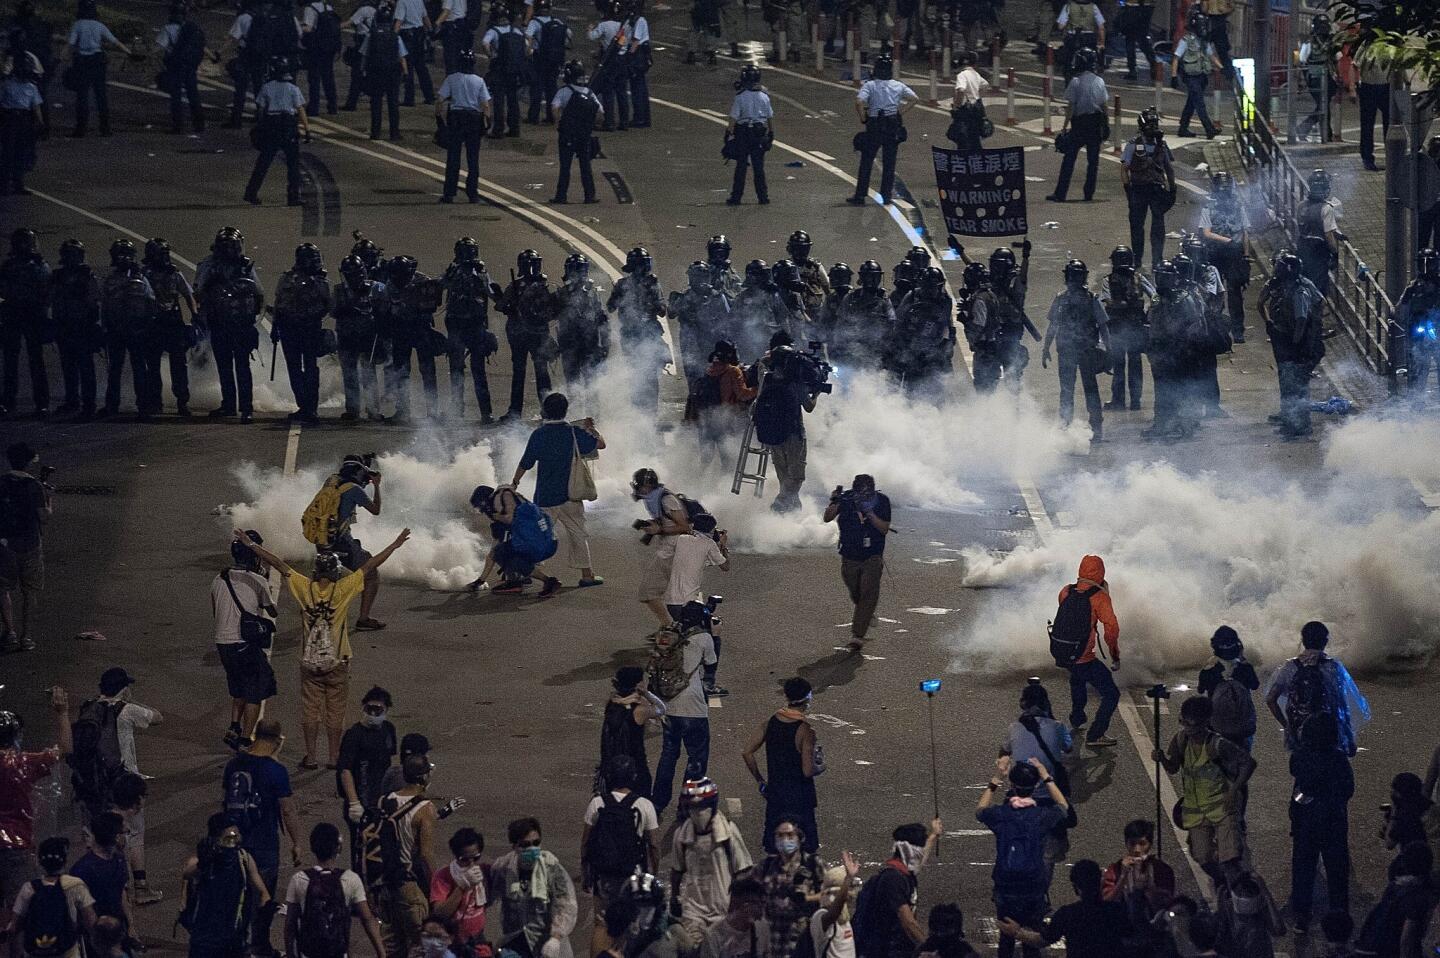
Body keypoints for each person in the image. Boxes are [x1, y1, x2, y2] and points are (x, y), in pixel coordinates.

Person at [232, 527, 411, 766]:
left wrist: (250, 544)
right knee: (335, 712)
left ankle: (312, 756)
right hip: (337, 661)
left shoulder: (304, 587)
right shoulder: (343, 589)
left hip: (309, 663)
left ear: (316, 572)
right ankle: (334, 756)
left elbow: (278, 564)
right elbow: (369, 567)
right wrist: (394, 545)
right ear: (336, 572)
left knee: (310, 711)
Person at [1154, 697, 1256, 888]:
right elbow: (1174, 767)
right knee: (1202, 856)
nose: (1189, 730)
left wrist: (1234, 790)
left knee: (1230, 858)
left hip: (1222, 808)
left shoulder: (1218, 744)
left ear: (1206, 722)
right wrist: (1162, 759)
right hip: (1196, 810)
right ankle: (1221, 882)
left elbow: (1249, 763)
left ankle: (1241, 893)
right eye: (1184, 723)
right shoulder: (1180, 740)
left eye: (1194, 725)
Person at [221, 718, 302, 953]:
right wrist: (297, 842)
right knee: (261, 899)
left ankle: (235, 941)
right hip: (263, 843)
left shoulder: (234, 764)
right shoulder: (276, 771)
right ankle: (259, 945)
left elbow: (225, 799)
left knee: (236, 894)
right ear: (278, 740)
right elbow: (287, 809)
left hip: (234, 840)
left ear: (255, 735)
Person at [976, 758, 1069, 958]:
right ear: (1035, 786)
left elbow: (980, 810)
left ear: (1012, 785)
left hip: (1005, 884)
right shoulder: (1040, 816)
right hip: (1033, 884)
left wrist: (996, 778)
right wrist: (1046, 776)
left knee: (1006, 936)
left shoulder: (1001, 814)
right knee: (1032, 936)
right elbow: (1063, 806)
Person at [512, 393, 606, 587]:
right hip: (571, 495)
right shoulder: (573, 433)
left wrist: (515, 482)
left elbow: (526, 462)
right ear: (565, 411)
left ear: (545, 411)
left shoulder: (539, 434)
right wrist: (591, 428)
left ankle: (528, 571)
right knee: (578, 533)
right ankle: (587, 575)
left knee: (538, 535)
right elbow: (601, 444)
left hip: (545, 496)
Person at [0, 692, 73, 937]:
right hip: (16, 846)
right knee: (21, 909)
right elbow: (63, 749)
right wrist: (62, 712)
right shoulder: (22, 763)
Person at [582, 756, 661, 957]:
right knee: (631, 924)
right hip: (632, 876)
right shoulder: (644, 805)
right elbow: (653, 845)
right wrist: (653, 873)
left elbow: (586, 842)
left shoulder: (598, 803)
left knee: (602, 923)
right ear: (633, 777)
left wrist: (586, 872)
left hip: (604, 874)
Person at [1265, 620, 1370, 759]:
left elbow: (1271, 699)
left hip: (1300, 732)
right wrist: (1349, 738)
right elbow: (1341, 705)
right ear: (1325, 641)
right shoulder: (1333, 667)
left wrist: (1287, 726)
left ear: (1303, 640)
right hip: (1328, 732)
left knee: (1304, 773)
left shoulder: (1290, 666)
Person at [1288, 712, 1353, 934]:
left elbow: (1297, 780)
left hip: (1306, 821)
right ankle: (1339, 915)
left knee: (1304, 869)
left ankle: (1302, 916)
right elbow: (1348, 789)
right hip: (1333, 821)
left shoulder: (1301, 756)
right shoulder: (1337, 759)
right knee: (1337, 870)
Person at [213, 529, 278, 750]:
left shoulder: (218, 579)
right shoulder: (256, 580)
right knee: (255, 692)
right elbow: (272, 610)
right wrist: (264, 577)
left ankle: (234, 726)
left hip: (223, 644)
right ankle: (245, 737)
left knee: (238, 687)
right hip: (244, 644)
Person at [179, 812, 274, 958]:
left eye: (237, 836)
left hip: (233, 940)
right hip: (205, 940)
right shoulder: (204, 861)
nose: (235, 841)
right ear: (216, 839)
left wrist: (265, 909)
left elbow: (263, 892)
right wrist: (203, 862)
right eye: (229, 838)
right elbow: (187, 873)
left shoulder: (244, 859)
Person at [374, 753, 441, 958]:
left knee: (393, 947)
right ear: (423, 778)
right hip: (410, 886)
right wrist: (435, 891)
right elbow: (425, 855)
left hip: (386, 883)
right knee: (421, 947)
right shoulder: (425, 809)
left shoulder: (385, 801)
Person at [670, 778, 753, 943]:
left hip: (724, 909)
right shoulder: (682, 835)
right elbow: (677, 870)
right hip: (693, 911)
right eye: (693, 808)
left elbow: (744, 870)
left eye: (702, 807)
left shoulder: (728, 832)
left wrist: (740, 906)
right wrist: (674, 897)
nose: (698, 812)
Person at [742, 678, 820, 853]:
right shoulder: (805, 731)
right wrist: (820, 766)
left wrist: (760, 780)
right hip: (800, 798)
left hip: (776, 795)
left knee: (774, 847)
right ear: (808, 698)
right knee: (804, 848)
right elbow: (807, 770)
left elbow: (747, 752)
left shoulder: (770, 723)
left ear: (786, 696)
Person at [284, 822, 384, 958]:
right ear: (338, 848)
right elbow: (367, 919)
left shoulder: (299, 879)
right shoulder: (350, 879)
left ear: (313, 848)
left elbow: (290, 924)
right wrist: (381, 953)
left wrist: (291, 954)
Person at [998, 859, 1132, 958]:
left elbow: (1041, 940)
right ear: (1100, 881)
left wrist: (1017, 932)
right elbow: (1131, 937)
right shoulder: (1116, 910)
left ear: (1076, 888)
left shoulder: (1068, 914)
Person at [195, 227, 262, 423]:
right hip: (220, 322)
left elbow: (258, 294)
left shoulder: (245, 266)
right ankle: (230, 405)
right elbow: (198, 290)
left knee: (242, 366)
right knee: (226, 367)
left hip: (241, 323)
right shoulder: (209, 265)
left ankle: (246, 407)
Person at [314, 454, 388, 632]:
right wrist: (376, 486)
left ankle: (317, 616)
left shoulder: (331, 481)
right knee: (370, 573)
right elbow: (376, 510)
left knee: (327, 577)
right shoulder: (354, 489)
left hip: (323, 538)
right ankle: (363, 619)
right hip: (341, 542)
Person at [488, 818, 578, 958]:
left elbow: (566, 905)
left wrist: (556, 937)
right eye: (525, 844)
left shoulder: (552, 868)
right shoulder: (503, 869)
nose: (532, 848)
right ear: (514, 846)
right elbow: (488, 896)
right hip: (515, 940)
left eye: (536, 843)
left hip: (546, 943)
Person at [1041, 259, 1110, 441]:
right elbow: (1103, 327)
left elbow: (1053, 326)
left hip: (1072, 351)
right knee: (1088, 390)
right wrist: (1108, 350)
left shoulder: (1064, 299)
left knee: (1069, 391)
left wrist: (1046, 348)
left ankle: (1067, 427)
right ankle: (1093, 428)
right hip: (1080, 351)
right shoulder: (1089, 299)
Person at [1055, 555, 1120, 747]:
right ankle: (1095, 735)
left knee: (1077, 681)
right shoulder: (1099, 598)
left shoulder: (1066, 591)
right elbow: (1111, 630)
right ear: (1101, 573)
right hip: (1084, 656)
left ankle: (1077, 718)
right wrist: (1115, 656)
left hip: (1064, 653)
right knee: (1111, 694)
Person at [822, 476, 891, 653]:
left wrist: (869, 513)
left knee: (869, 591)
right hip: (850, 555)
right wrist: (835, 500)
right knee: (856, 591)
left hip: (872, 555)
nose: (864, 496)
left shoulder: (882, 501)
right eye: (861, 492)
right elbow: (827, 518)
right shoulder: (846, 499)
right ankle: (866, 613)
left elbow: (883, 528)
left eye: (868, 492)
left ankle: (857, 636)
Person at [752, 341, 819, 513]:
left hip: (773, 435)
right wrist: (816, 393)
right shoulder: (795, 382)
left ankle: (790, 515)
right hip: (794, 435)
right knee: (795, 477)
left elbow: (761, 366)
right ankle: (779, 506)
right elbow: (809, 407)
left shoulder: (766, 378)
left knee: (784, 478)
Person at [98, 239, 158, 420]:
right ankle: (112, 405)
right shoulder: (110, 280)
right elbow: (105, 306)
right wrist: (104, 328)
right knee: (115, 369)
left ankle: (144, 406)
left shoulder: (140, 279)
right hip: (117, 330)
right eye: (120, 254)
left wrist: (147, 326)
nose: (123, 258)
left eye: (126, 254)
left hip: (137, 330)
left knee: (140, 369)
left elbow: (151, 303)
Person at [466, 484, 562, 596]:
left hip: (535, 546)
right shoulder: (515, 498)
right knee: (508, 550)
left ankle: (523, 582)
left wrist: (497, 518)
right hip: (550, 543)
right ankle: (522, 577)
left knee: (504, 553)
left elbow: (509, 520)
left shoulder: (500, 498)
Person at [606, 248, 669, 416]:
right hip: (631, 336)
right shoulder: (623, 285)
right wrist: (622, 296)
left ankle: (650, 414)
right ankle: (638, 414)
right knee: (635, 375)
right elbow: (610, 307)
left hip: (649, 335)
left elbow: (663, 310)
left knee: (651, 376)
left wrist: (650, 301)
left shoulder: (652, 284)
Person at [847, 55, 916, 207]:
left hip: (875, 124)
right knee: (889, 162)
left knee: (867, 161)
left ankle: (860, 195)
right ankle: (886, 195)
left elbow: (859, 102)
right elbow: (914, 98)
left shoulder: (870, 85)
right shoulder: (898, 85)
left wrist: (863, 117)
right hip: (892, 125)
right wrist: (900, 112)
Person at [336, 686, 397, 860]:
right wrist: (354, 802)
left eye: (378, 709)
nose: (373, 713)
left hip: (381, 800)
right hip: (362, 800)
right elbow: (345, 769)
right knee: (361, 850)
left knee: (382, 847)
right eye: (370, 709)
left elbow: (389, 763)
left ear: (386, 710)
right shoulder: (354, 735)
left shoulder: (388, 730)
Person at [0, 442, 50, 653]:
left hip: (4, 544)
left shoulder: (1, 483)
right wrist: (49, 501)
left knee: (3, 589)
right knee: (30, 592)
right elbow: (44, 517)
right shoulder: (34, 485)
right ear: (29, 462)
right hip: (30, 543)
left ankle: (9, 632)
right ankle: (26, 637)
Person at [272, 244, 331, 422]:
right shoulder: (287, 279)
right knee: (295, 369)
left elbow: (328, 305)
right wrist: (275, 327)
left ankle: (311, 408)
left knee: (311, 368)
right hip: (289, 329)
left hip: (310, 328)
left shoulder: (320, 281)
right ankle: (304, 405)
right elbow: (278, 303)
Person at [10, 836, 96, 958]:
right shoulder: (75, 885)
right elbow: (90, 921)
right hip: (68, 951)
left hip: (36, 952)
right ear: (65, 860)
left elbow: (15, 926)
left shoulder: (29, 888)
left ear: (39, 861)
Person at [379, 256, 441, 421]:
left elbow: (433, 302)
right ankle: (403, 410)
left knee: (427, 371)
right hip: (400, 331)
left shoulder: (423, 282)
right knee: (400, 372)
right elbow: (386, 307)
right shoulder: (390, 285)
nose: (398, 279)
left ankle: (432, 411)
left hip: (421, 329)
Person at [139, 238, 196, 417]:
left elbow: (188, 295)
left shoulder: (174, 274)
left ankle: (182, 401)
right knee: (153, 366)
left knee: (179, 366)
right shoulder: (144, 275)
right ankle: (156, 402)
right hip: (153, 325)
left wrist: (195, 314)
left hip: (173, 324)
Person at [630, 469, 693, 630]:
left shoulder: (666, 499)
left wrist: (659, 530)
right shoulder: (653, 497)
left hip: (673, 547)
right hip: (669, 546)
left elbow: (684, 526)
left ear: (647, 485)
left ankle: (670, 626)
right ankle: (678, 626)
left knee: (648, 591)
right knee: (677, 591)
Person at [498, 249, 557, 417]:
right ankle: (539, 411)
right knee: (535, 373)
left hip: (528, 334)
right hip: (530, 335)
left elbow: (501, 305)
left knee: (529, 373)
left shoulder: (530, 286)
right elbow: (501, 305)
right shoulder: (537, 285)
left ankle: (523, 411)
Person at [243, 57, 309, 207]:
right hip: (288, 126)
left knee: (263, 162)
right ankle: (293, 196)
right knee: (293, 164)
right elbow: (300, 110)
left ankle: (251, 192)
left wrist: (261, 126)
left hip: (272, 126)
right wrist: (307, 129)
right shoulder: (293, 89)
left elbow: (260, 109)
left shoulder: (267, 87)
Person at [47, 239, 100, 418]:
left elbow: (94, 302)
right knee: (69, 367)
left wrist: (94, 326)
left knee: (85, 368)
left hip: (82, 326)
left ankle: (88, 404)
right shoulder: (58, 276)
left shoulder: (87, 276)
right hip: (64, 325)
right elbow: (51, 300)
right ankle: (73, 401)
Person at [755, 820, 823, 958]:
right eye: (780, 836)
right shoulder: (766, 866)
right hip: (774, 942)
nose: (785, 840)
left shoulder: (812, 864)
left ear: (800, 838)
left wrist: (808, 898)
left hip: (802, 941)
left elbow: (834, 895)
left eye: (790, 835)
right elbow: (748, 892)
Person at [1046, 48, 1106, 202]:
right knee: (1093, 162)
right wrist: (1105, 124)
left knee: (1069, 160)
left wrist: (1065, 126)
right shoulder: (1099, 81)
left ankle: (1060, 193)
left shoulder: (1075, 82)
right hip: (1094, 123)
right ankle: (1088, 193)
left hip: (1079, 124)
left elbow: (1071, 107)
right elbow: (1104, 106)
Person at [0, 230, 49, 418]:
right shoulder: (10, 266)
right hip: (14, 314)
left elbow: (46, 292)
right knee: (11, 360)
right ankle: (9, 400)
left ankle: (41, 402)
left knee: (35, 360)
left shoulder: (37, 265)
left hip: (31, 314)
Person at [65, 0, 133, 137]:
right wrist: (130, 53)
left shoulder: (78, 25)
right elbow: (115, 42)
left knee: (82, 96)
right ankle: (105, 128)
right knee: (101, 95)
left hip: (82, 61)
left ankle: (80, 129)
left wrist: (61, 58)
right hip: (97, 61)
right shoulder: (99, 25)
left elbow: (70, 44)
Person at [1354, 843, 1433, 958]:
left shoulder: (1395, 886)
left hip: (1367, 946)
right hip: (1384, 951)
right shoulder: (1417, 898)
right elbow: (1406, 940)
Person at [1098, 246, 1151, 411]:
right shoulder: (1136, 278)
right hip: (1127, 328)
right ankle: (1132, 400)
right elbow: (1155, 296)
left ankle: (1122, 400)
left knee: (1122, 365)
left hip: (1122, 328)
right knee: (1131, 365)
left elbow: (1107, 302)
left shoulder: (1115, 279)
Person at [436, 50, 492, 204]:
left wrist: (439, 119)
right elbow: (485, 105)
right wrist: (487, 122)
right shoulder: (479, 81)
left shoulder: (452, 78)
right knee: (473, 158)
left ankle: (449, 193)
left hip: (456, 118)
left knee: (453, 157)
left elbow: (440, 99)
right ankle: (472, 194)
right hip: (473, 118)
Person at [1121, 109, 1175, 269]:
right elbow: (1124, 168)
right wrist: (1127, 189)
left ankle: (1157, 260)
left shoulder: (1162, 145)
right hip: (1138, 189)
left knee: (1158, 226)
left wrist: (1173, 189)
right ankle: (1137, 261)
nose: (1153, 127)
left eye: (1155, 124)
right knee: (1137, 226)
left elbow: (1169, 168)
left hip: (1156, 190)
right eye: (1150, 124)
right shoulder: (1133, 144)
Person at [333, 256, 385, 420]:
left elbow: (386, 308)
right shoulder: (340, 291)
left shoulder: (376, 288)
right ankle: (353, 409)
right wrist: (345, 309)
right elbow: (331, 310)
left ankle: (373, 409)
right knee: (349, 374)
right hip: (347, 336)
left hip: (368, 336)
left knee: (369, 373)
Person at [1101, 820, 1176, 929]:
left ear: (1150, 844)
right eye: (1132, 844)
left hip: (1156, 924)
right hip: (1124, 924)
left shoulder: (1162, 869)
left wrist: (1147, 888)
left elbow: (1167, 902)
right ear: (1126, 843)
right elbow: (1106, 902)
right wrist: (1123, 877)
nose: (1137, 850)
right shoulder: (1115, 869)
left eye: (1142, 844)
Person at [90, 668, 161, 777]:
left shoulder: (90, 707)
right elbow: (158, 717)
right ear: (123, 689)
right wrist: (130, 701)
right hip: (123, 775)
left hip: (94, 773)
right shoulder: (127, 710)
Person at [1198, 626, 1259, 750]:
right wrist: (1242, 659)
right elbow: (1255, 685)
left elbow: (1200, 689)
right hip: (1243, 728)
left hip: (1216, 727)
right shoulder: (1245, 668)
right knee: (1243, 762)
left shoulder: (1209, 669)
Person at [429, 827, 488, 955]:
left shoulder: (483, 871)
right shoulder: (443, 876)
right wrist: (462, 886)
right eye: (465, 860)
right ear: (456, 857)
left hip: (477, 938)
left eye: (475, 858)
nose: (471, 864)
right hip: (452, 941)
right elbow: (440, 913)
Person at [69, 812, 130, 935]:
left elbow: (121, 892)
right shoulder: (83, 870)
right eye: (125, 832)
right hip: (98, 934)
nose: (128, 834)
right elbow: (85, 911)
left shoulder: (119, 859)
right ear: (117, 837)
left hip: (117, 927)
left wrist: (130, 926)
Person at [554, 253, 609, 389]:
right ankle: (574, 410)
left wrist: (605, 344)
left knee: (591, 384)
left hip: (589, 345)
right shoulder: (561, 294)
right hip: (569, 345)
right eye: (574, 270)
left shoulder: (593, 294)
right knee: (572, 384)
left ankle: (592, 411)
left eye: (580, 270)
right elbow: (549, 316)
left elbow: (602, 319)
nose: (577, 274)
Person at [552, 61, 602, 204]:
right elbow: (600, 112)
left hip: (568, 134)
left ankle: (561, 196)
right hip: (584, 134)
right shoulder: (589, 93)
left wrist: (558, 123)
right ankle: (589, 195)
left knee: (565, 167)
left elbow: (554, 108)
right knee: (585, 165)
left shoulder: (563, 91)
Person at [726, 64, 774, 206]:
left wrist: (728, 133)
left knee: (741, 167)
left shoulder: (740, 96)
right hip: (759, 133)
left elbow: (733, 118)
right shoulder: (764, 96)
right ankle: (763, 197)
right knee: (759, 167)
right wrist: (771, 133)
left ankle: (736, 197)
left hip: (743, 133)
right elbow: (770, 116)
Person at [1171, 12, 1220, 139]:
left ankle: (1183, 128)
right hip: (1190, 76)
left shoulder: (1204, 42)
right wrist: (1174, 76)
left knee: (1192, 102)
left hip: (1202, 76)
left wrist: (1222, 68)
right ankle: (1209, 129)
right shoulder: (1186, 41)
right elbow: (1176, 58)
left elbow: (1211, 56)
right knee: (1199, 103)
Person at [0, 57, 42, 197]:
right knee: (10, 153)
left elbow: (35, 107)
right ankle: (8, 183)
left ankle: (14, 183)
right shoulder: (8, 85)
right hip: (12, 119)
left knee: (18, 153)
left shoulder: (29, 86)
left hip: (20, 120)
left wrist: (39, 123)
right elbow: (36, 108)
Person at [482, 7, 527, 137]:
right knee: (513, 99)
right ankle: (514, 128)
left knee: (499, 100)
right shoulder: (516, 30)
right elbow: (526, 46)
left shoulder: (494, 31)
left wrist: (490, 55)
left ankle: (498, 129)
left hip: (499, 69)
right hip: (514, 70)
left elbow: (485, 43)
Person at [700, 877, 770, 958]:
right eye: (756, 904)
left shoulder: (762, 927)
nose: (761, 910)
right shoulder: (713, 935)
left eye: (762, 904)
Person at [1297, 169, 1342, 295]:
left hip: (1302, 248)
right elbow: (1328, 234)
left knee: (1304, 282)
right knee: (1318, 287)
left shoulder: (1301, 205)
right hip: (1318, 252)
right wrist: (1335, 252)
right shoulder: (1326, 209)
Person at [1297, 15, 1337, 142]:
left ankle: (1322, 133)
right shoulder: (1309, 43)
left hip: (1328, 77)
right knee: (1323, 106)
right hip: (1314, 77)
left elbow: (1337, 58)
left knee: (1323, 106)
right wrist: (1302, 81)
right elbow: (1302, 61)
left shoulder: (1332, 42)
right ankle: (1324, 134)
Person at [527, 0, 569, 120]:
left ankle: (533, 117)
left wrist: (528, 52)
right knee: (551, 87)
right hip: (555, 58)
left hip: (540, 58)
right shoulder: (556, 21)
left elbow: (528, 36)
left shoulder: (534, 22)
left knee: (537, 87)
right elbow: (568, 34)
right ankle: (551, 116)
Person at [300, 0, 341, 116]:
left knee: (314, 78)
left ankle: (313, 108)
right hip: (329, 48)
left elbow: (308, 28)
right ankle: (333, 106)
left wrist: (300, 28)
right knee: (328, 77)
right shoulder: (328, 8)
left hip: (316, 48)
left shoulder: (310, 8)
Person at [393, 0, 433, 106]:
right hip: (419, 34)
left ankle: (409, 99)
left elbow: (399, 21)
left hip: (408, 36)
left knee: (408, 67)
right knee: (421, 67)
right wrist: (430, 30)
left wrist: (392, 37)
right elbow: (425, 17)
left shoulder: (402, 2)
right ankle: (429, 96)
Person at [947, 52, 985, 151]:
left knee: (962, 136)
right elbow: (985, 84)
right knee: (975, 138)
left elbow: (961, 89)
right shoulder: (976, 74)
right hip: (977, 109)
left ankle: (964, 159)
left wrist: (957, 105)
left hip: (966, 111)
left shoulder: (962, 75)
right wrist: (975, 94)